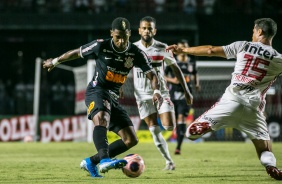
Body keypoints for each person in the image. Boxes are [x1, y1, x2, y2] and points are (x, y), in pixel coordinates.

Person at [42, 17, 163, 178]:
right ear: (111, 33)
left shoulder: (136, 53)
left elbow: (152, 75)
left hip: (113, 97)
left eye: (124, 37)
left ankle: (91, 161)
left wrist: (157, 92)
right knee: (102, 118)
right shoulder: (101, 45)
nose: (120, 41)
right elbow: (76, 53)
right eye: (117, 37)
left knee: (131, 140)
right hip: (96, 91)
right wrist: (55, 61)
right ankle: (105, 160)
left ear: (129, 34)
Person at [166, 18, 282, 180]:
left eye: (254, 31)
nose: (253, 33)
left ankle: (202, 125)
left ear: (260, 31)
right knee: (265, 149)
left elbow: (210, 50)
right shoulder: (278, 59)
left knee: (190, 132)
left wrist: (183, 51)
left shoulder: (243, 46)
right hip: (253, 109)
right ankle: (271, 166)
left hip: (230, 101)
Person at [133, 16, 193, 170]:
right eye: (144, 28)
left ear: (155, 30)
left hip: (162, 93)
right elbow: (125, 68)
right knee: (153, 129)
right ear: (139, 30)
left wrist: (186, 90)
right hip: (141, 95)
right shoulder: (132, 48)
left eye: (150, 28)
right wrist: (119, 86)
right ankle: (169, 162)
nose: (147, 31)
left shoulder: (162, 47)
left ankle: (167, 115)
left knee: (168, 126)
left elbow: (176, 68)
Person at [165, 39, 200, 155]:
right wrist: (172, 80)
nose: (182, 50)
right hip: (173, 94)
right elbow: (163, 76)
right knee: (173, 121)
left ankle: (178, 147)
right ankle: (172, 139)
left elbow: (195, 73)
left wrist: (196, 83)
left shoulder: (191, 62)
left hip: (186, 95)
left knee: (182, 119)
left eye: (185, 47)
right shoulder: (172, 62)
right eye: (180, 47)